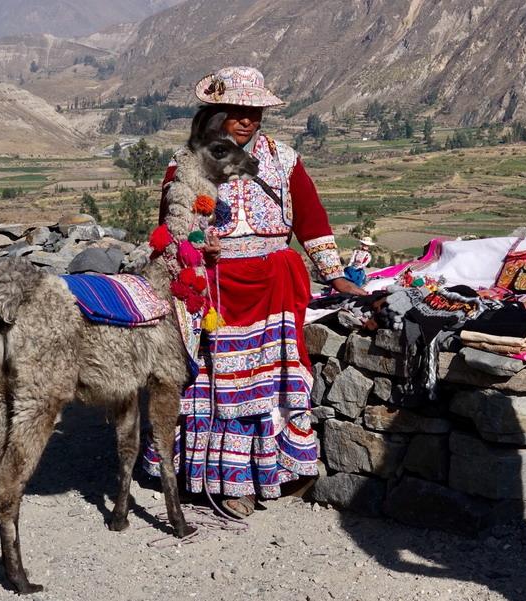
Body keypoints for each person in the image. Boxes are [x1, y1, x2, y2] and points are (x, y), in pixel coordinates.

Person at [145, 66, 365, 519]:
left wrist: (335, 275)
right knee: (214, 381)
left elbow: (311, 220)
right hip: (214, 287)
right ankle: (215, 479)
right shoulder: (186, 163)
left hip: (274, 286)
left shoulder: (285, 160)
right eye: (236, 111)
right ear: (216, 113)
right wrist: (194, 247)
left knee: (267, 382)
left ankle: (270, 471)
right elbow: (172, 228)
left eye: (255, 112)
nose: (247, 120)